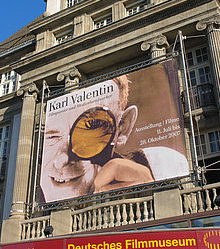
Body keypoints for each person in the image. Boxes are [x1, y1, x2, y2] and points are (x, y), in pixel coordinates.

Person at [40, 74, 188, 202]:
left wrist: (153, 185)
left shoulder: (164, 164)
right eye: (52, 136)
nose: (61, 160)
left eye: (91, 128)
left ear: (122, 128)